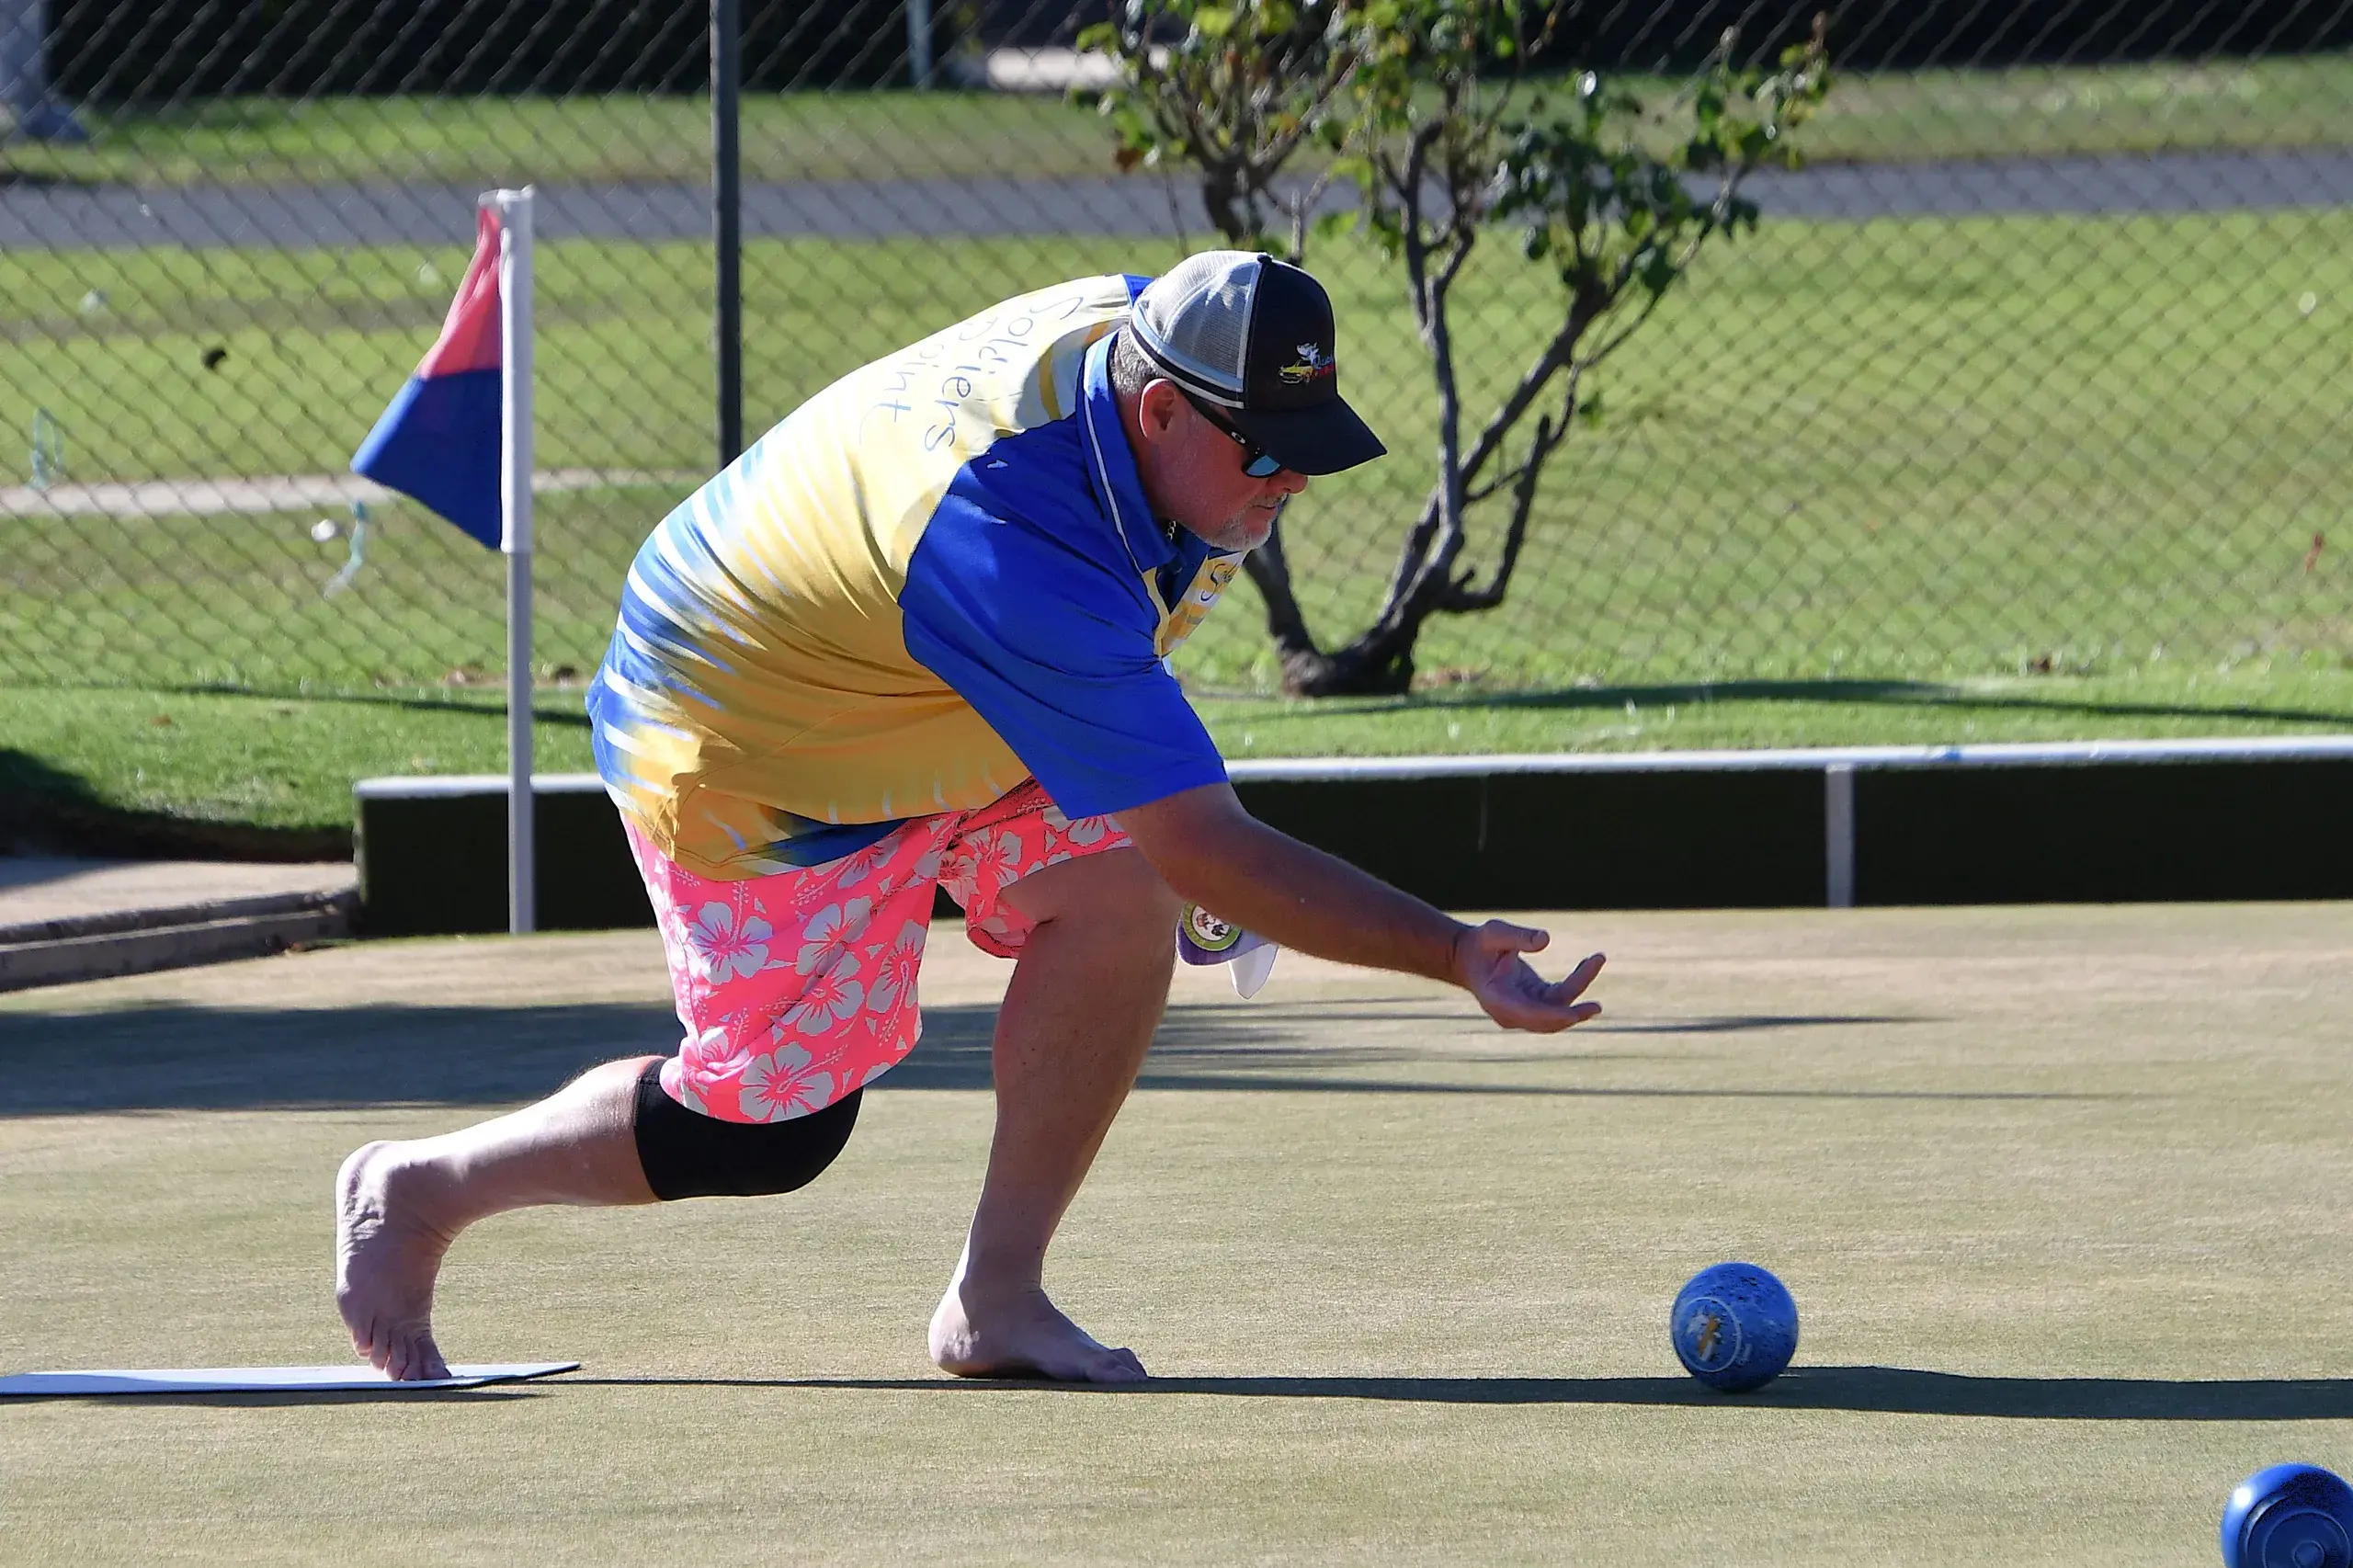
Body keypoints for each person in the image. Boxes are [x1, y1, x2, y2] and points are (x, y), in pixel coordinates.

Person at [334, 251, 1608, 1384]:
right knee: (771, 1129)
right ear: (1160, 407)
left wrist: (1184, 837)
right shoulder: (1014, 529)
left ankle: (995, 1296)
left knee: (1125, 890)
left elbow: (1158, 753)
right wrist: (1449, 951)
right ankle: (423, 1188)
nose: (1294, 480)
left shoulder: (1157, 366)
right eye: (1267, 450)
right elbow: (1200, 826)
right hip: (751, 716)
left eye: (1309, 445)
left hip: (933, 669)